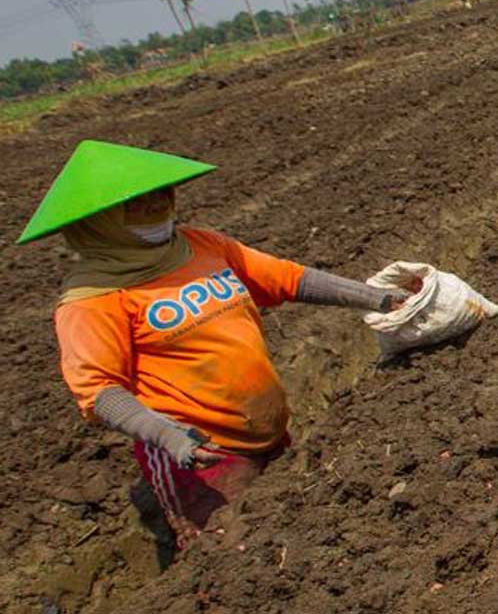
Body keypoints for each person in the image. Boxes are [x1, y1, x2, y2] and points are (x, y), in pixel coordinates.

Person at [18, 141, 418, 547]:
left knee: (301, 532)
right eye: (137, 203)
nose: (158, 207)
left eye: (162, 194)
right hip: (202, 456)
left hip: (268, 428)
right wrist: (169, 436)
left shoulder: (202, 246)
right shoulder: (93, 300)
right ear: (97, 223)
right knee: (235, 551)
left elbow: (287, 278)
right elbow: (98, 391)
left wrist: (378, 298)